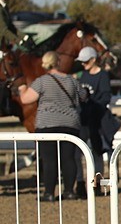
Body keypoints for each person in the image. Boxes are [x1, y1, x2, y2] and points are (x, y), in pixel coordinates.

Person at [17, 52, 87, 201]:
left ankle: (49, 193)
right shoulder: (71, 80)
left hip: (47, 123)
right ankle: (69, 191)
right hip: (70, 123)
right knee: (68, 158)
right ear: (58, 62)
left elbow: (26, 99)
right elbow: (83, 96)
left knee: (50, 159)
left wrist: (22, 88)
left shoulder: (41, 81)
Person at [76, 45, 121, 181]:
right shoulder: (83, 75)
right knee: (77, 151)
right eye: (82, 62)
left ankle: (98, 183)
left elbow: (105, 97)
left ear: (94, 60)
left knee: (98, 151)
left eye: (86, 61)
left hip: (98, 119)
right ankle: (79, 182)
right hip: (84, 119)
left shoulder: (102, 75)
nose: (83, 64)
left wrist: (92, 105)